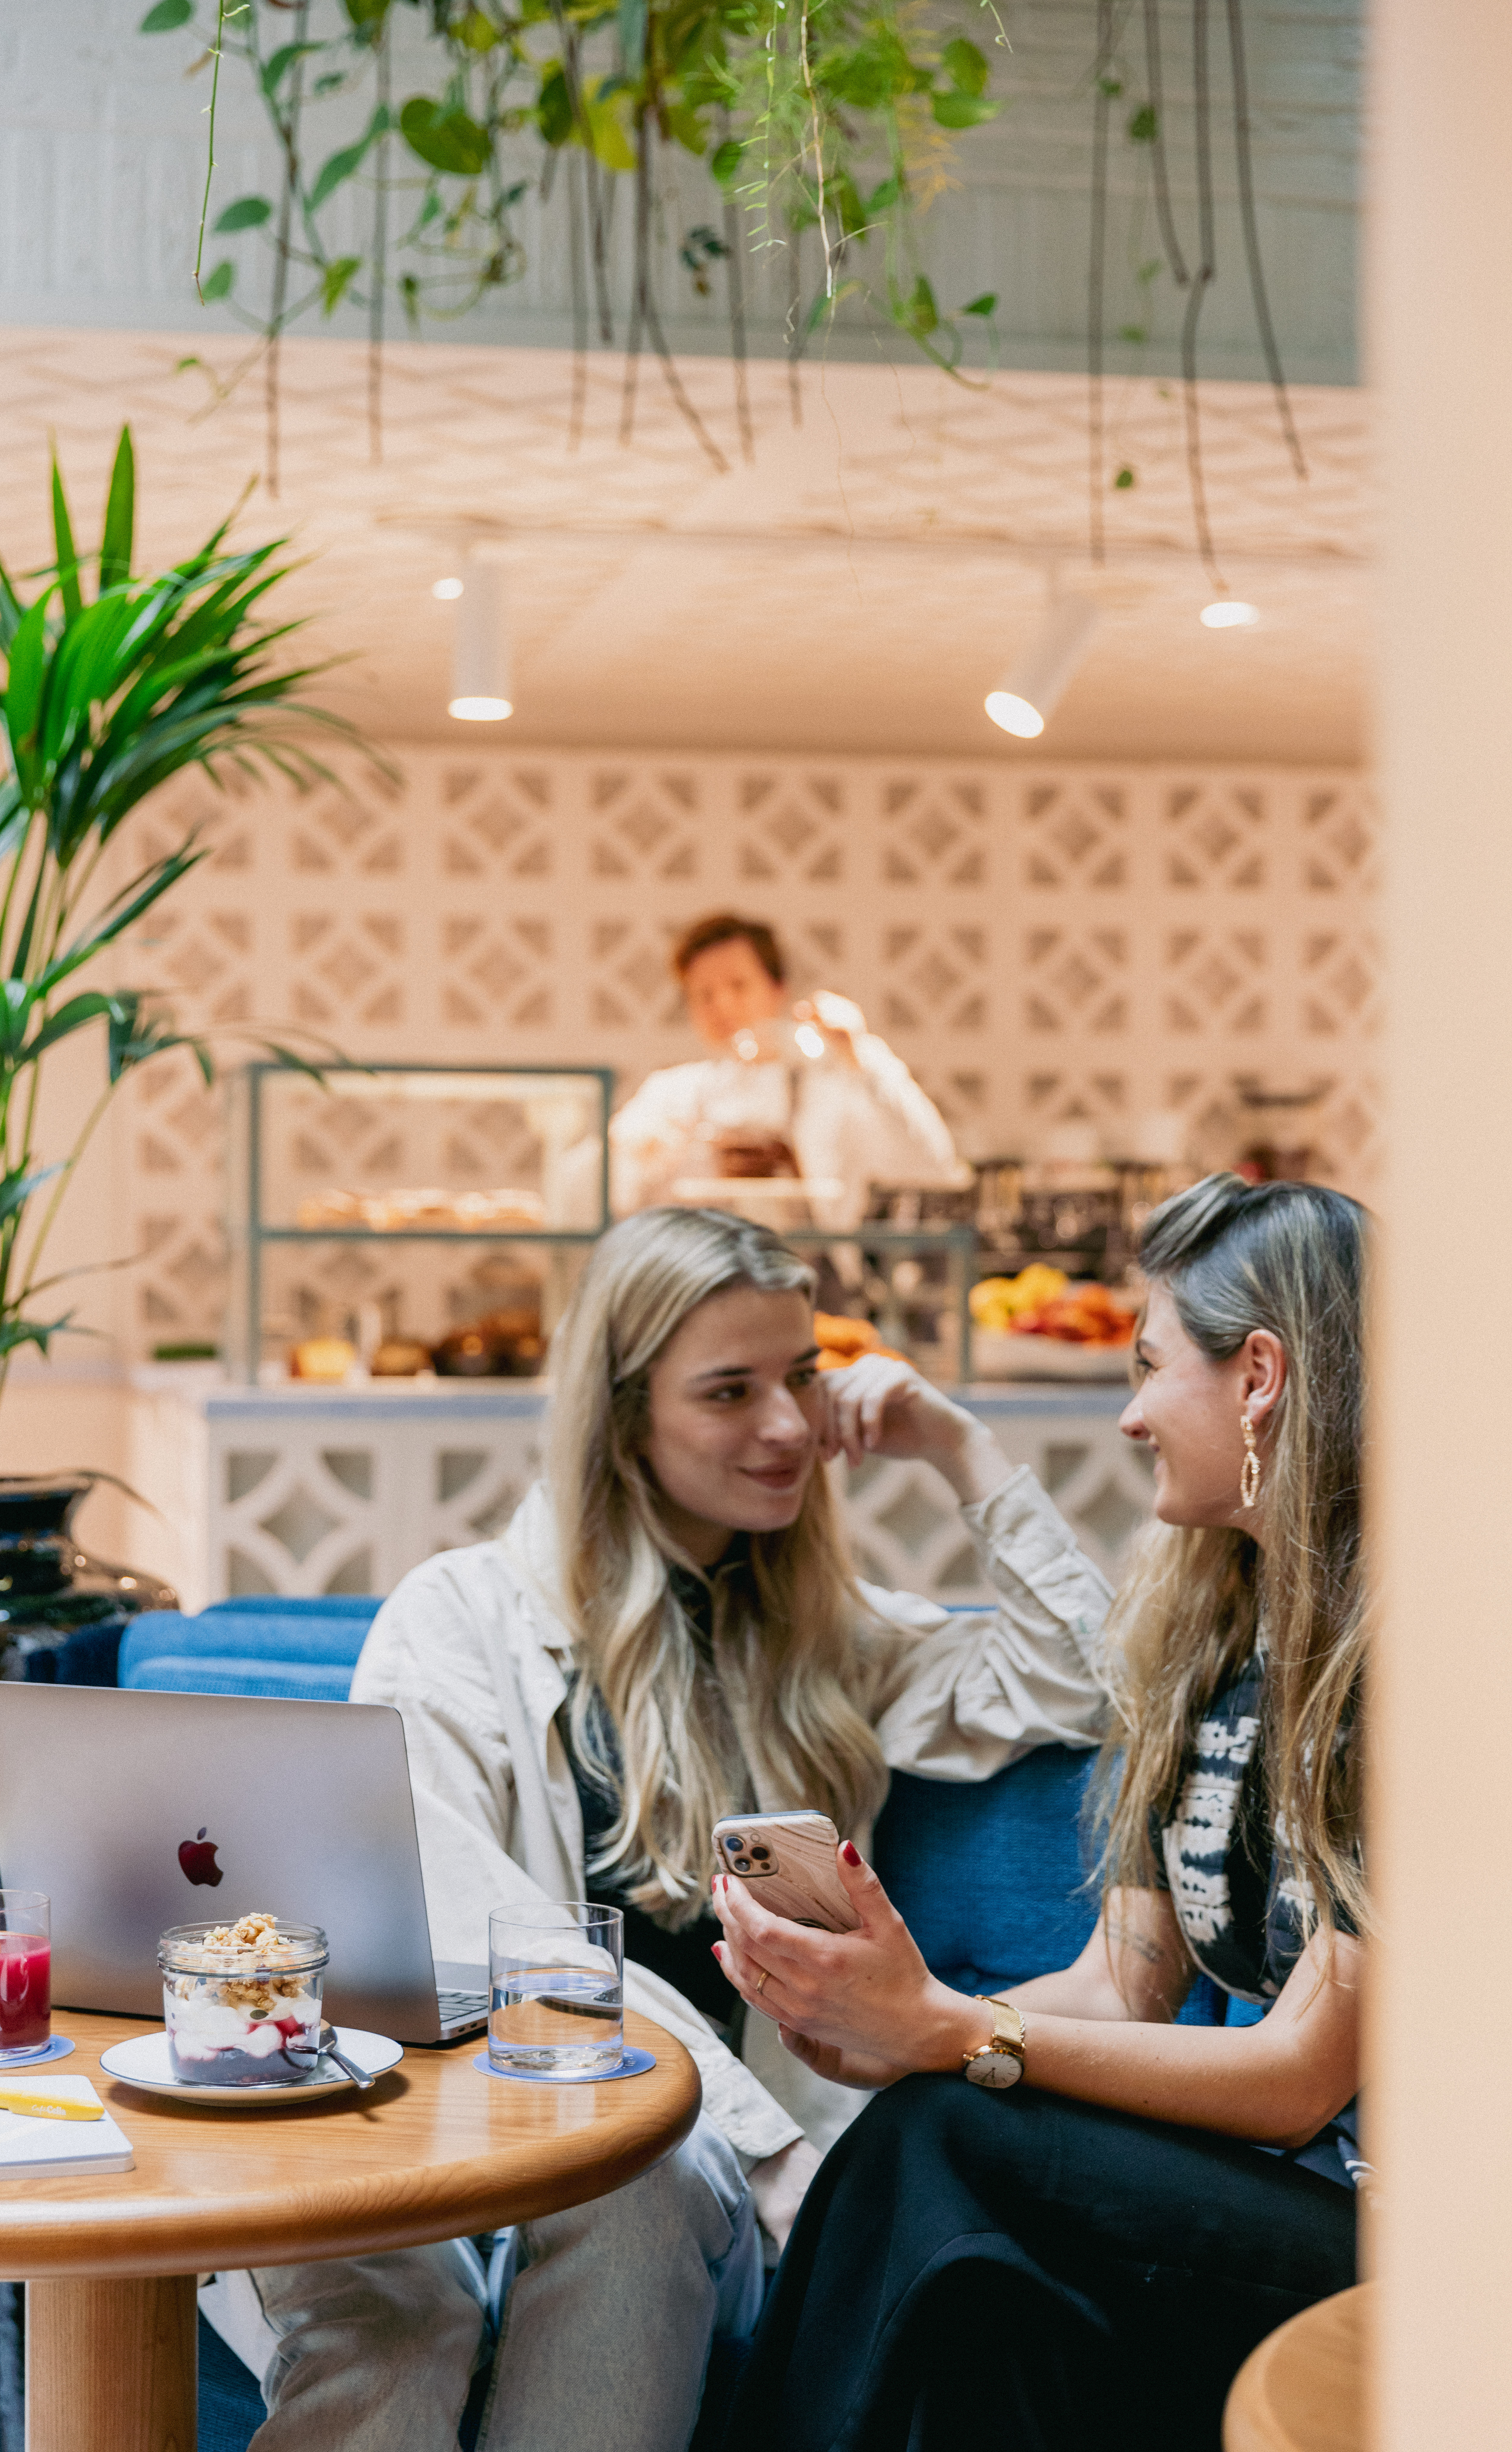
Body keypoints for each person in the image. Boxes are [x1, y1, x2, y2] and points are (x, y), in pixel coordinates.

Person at [239, 1204, 1115, 2452]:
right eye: (728, 1389)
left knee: (636, 2167)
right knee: (430, 2264)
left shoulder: (826, 1637)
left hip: (689, 2194)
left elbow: (1077, 1685)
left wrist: (962, 1447)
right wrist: (754, 2144)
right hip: (490, 2147)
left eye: (801, 1378)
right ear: (624, 1409)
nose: (785, 1426)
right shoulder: (457, 1621)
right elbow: (480, 1927)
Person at [711, 1174, 1367, 2452]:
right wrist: (891, 2029)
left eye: (1147, 1366)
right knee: (975, 2286)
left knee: (951, 2121)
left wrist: (945, 2030)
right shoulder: (1208, 1636)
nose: (1126, 1417)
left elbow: (1298, 2079)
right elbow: (1121, 1987)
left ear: (1259, 1378)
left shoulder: (1414, 1652)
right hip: (1281, 2206)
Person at [609, 912, 961, 1227]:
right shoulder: (671, 1095)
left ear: (778, 988)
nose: (723, 1005)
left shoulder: (835, 1087)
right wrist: (669, 1159)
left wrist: (862, 1054)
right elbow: (603, 1193)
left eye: (738, 985)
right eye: (704, 994)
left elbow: (934, 1166)